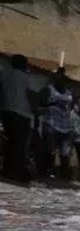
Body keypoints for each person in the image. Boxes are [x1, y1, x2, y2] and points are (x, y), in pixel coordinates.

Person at [0, 54, 33, 183]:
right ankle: (16, 171)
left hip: (6, 111)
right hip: (22, 113)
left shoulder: (5, 74)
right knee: (19, 144)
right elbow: (30, 95)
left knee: (9, 142)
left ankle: (7, 169)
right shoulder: (25, 78)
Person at [41, 69, 74, 181]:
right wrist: (54, 103)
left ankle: (64, 176)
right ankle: (47, 172)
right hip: (51, 123)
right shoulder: (48, 89)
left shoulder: (69, 92)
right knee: (50, 149)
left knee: (65, 152)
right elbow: (41, 102)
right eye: (58, 78)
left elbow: (72, 106)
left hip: (66, 126)